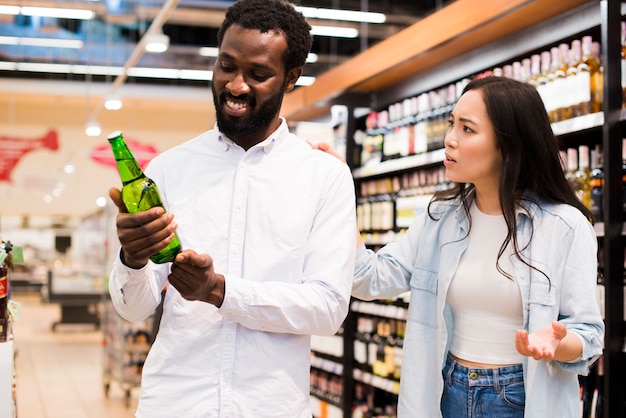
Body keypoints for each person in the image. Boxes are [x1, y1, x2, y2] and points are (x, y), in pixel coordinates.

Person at [107, 0, 357, 416]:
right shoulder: (168, 170)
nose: (236, 85)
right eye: (226, 66)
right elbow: (133, 309)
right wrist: (131, 258)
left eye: (258, 74)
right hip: (175, 402)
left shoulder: (324, 177)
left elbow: (327, 309)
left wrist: (219, 291)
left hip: (270, 405)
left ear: (291, 78)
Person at [318, 76, 604, 417]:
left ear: (509, 145)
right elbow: (368, 278)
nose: (449, 139)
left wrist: (558, 344)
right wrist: (340, 192)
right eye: (452, 124)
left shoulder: (565, 227)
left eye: (467, 129)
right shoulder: (439, 219)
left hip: (520, 397)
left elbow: (588, 335)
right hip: (446, 390)